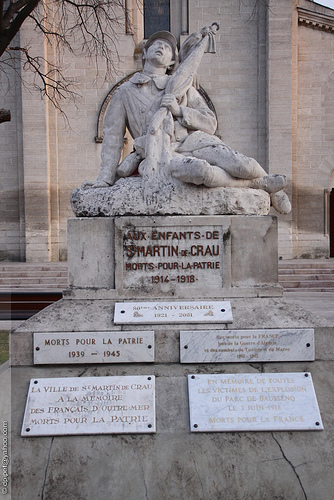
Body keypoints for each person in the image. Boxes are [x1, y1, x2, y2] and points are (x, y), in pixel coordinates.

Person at [82, 30, 290, 214]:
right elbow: (112, 138)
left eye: (167, 47)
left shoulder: (183, 88)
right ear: (144, 53)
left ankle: (264, 180)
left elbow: (210, 123)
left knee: (241, 164)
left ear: (173, 62)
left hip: (195, 142)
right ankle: (258, 184)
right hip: (162, 152)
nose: (162, 47)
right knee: (200, 172)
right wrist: (105, 178)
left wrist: (179, 110)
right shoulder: (124, 92)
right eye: (156, 44)